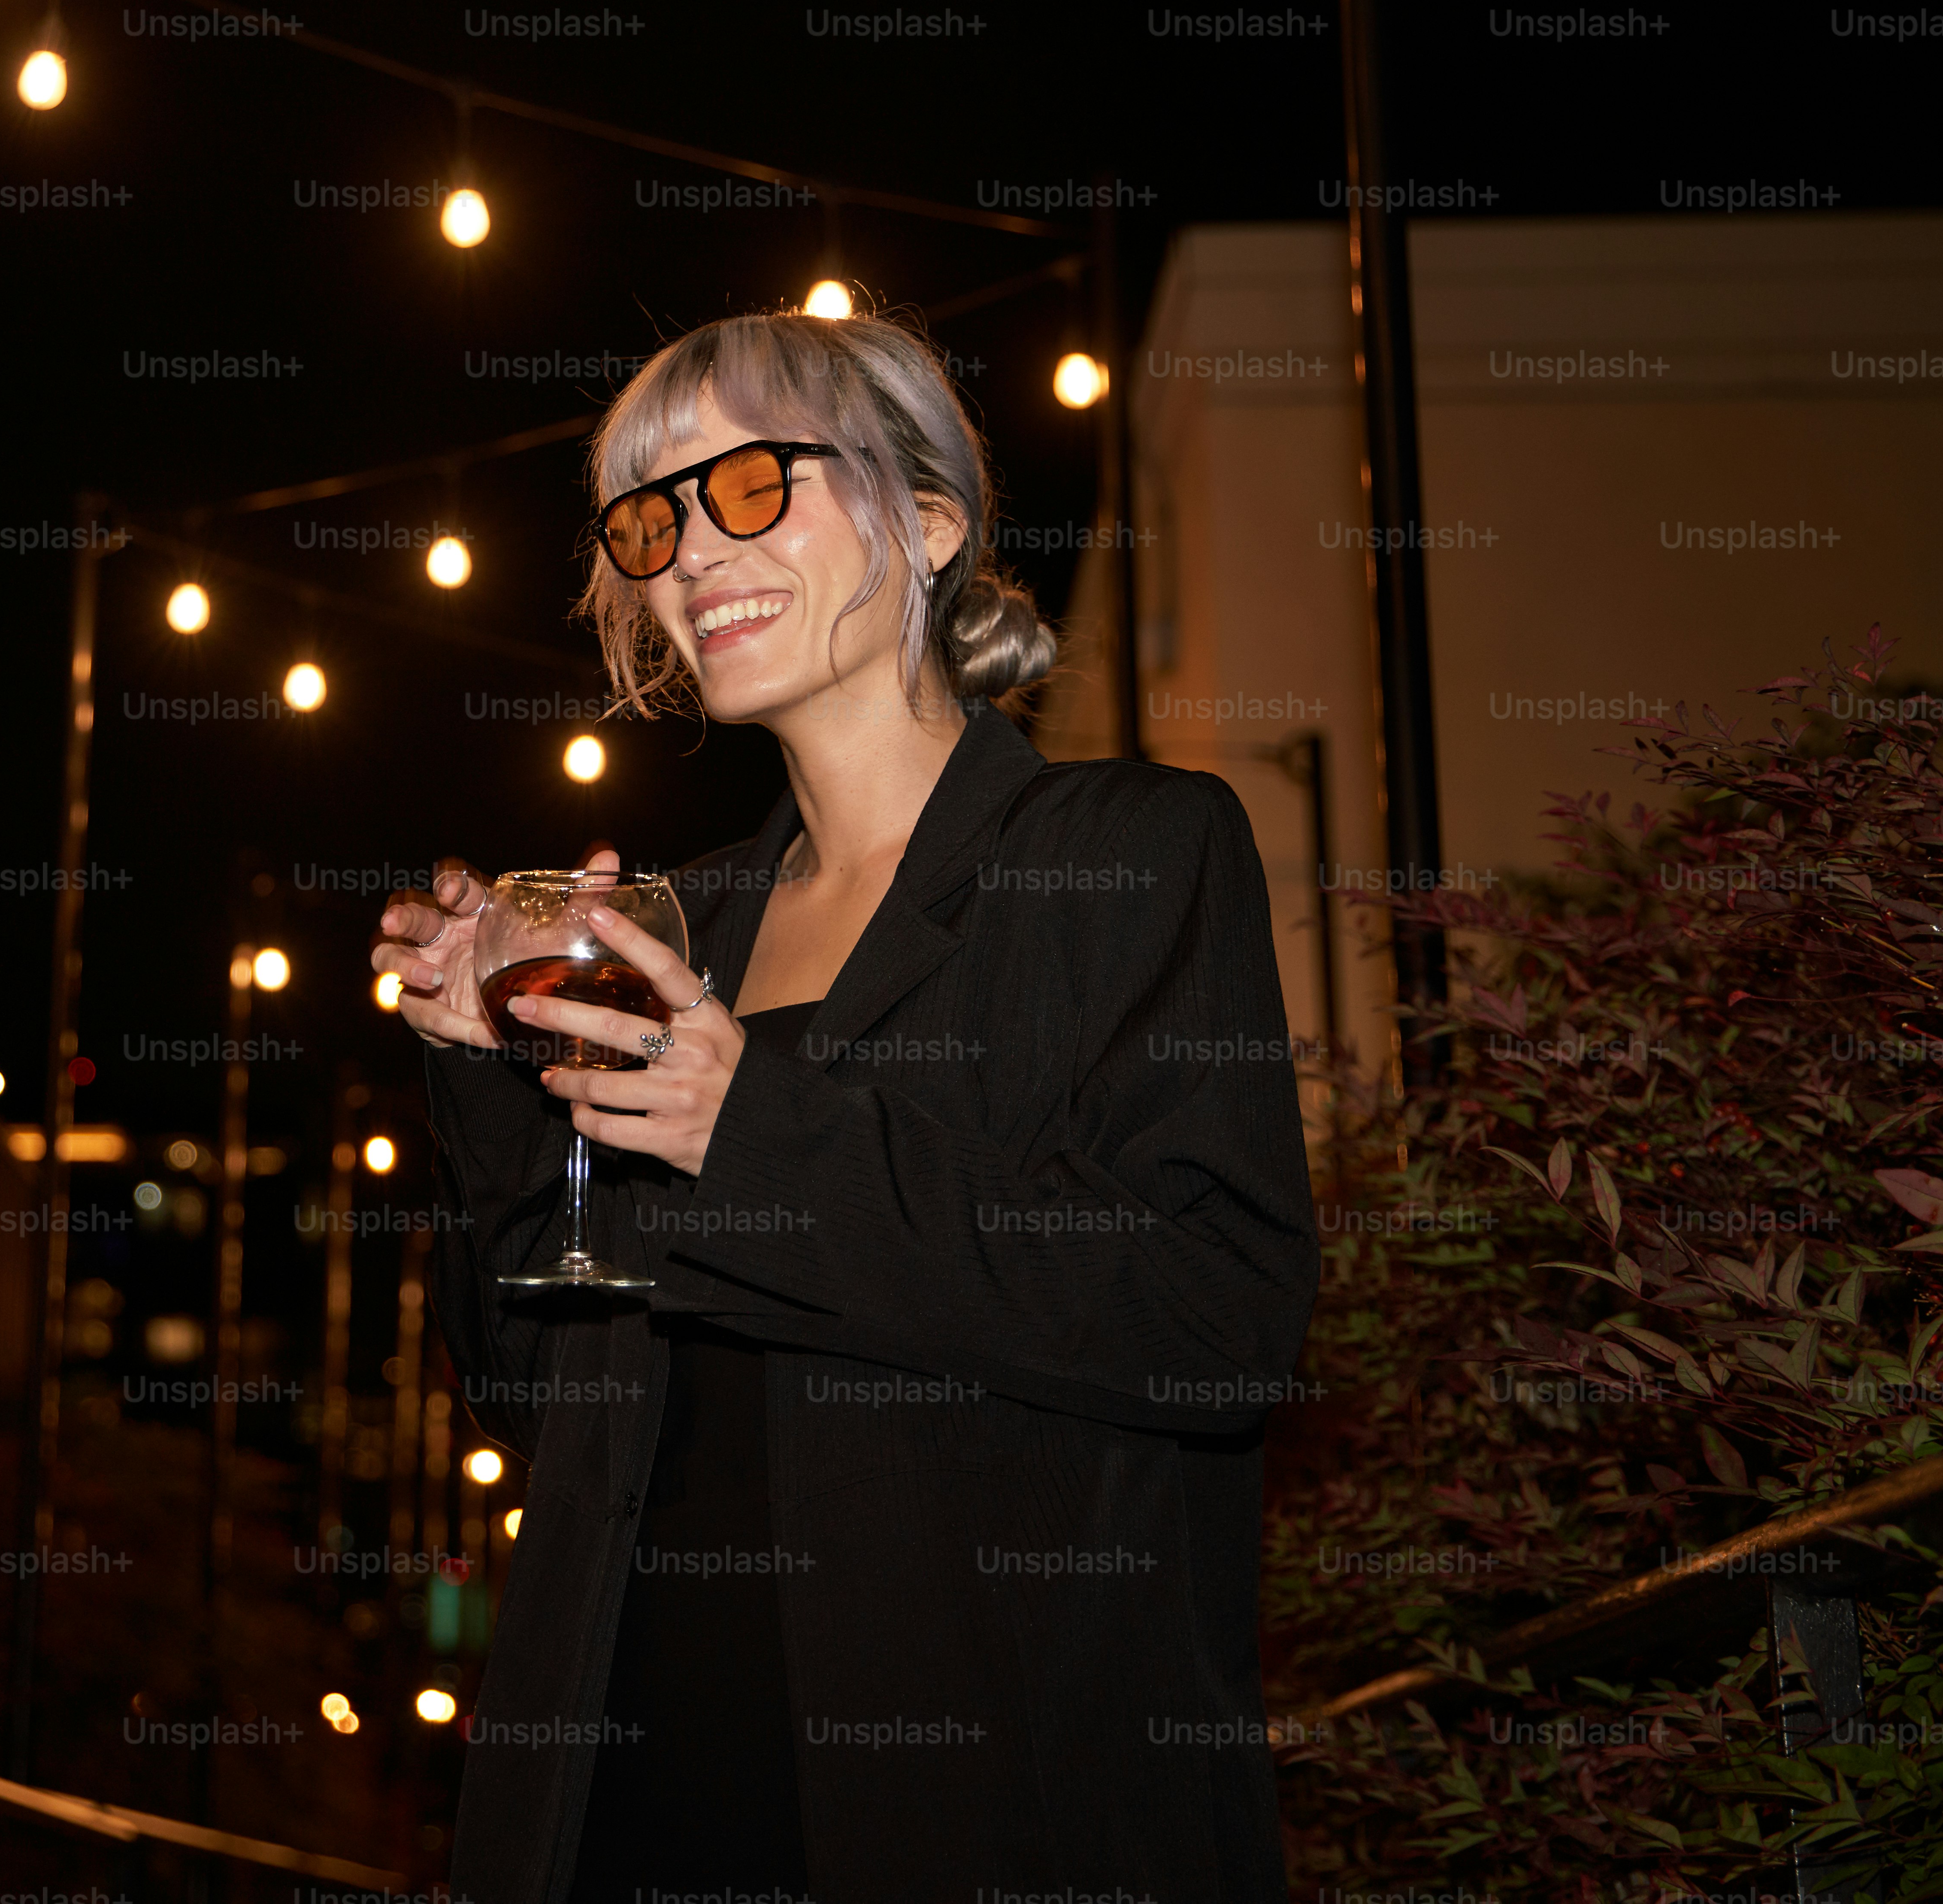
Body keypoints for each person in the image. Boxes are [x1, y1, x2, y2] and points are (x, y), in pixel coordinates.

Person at [374, 311, 1320, 1904]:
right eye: (650, 519)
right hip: (630, 1797)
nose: (690, 552)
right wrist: (486, 1074)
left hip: (989, 1808)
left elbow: (1216, 1319)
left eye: (752, 484)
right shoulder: (679, 928)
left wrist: (753, 1134)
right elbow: (544, 1393)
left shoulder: (1122, 853)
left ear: (931, 522)